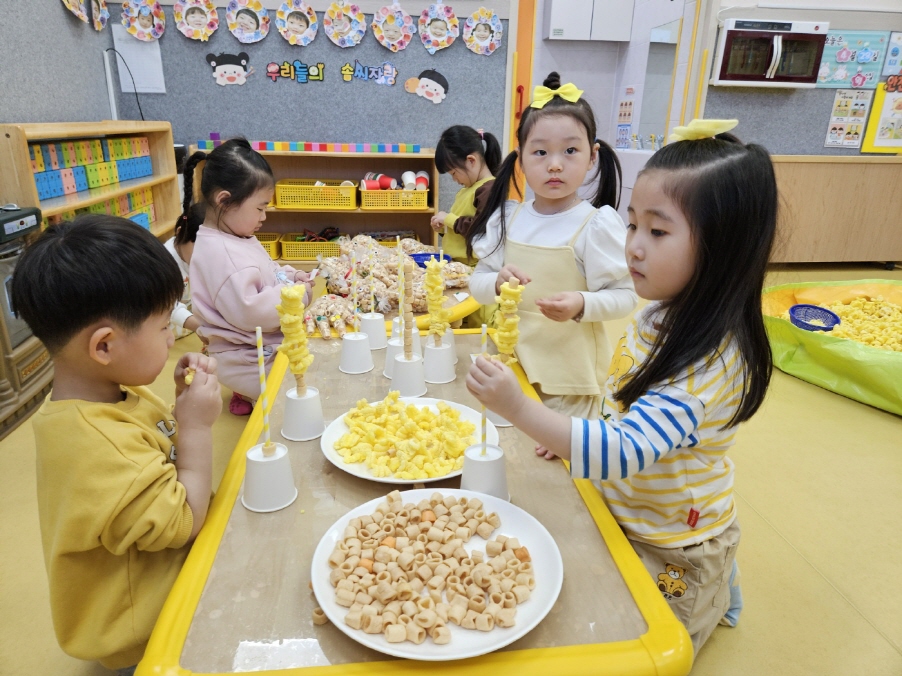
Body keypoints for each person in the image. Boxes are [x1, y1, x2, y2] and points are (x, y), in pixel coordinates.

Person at [467, 120, 778, 654]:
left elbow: (625, 449)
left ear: (724, 248)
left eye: (657, 232)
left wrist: (520, 409)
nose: (632, 246)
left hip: (676, 540)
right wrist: (577, 431)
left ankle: (714, 585)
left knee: (657, 645)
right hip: (630, 506)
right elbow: (624, 407)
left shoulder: (709, 361)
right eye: (633, 224)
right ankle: (719, 585)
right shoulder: (659, 313)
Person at [10, 216, 222, 674]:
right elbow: (184, 522)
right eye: (163, 327)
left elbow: (155, 449)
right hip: (146, 633)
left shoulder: (105, 395)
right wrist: (198, 428)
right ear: (104, 346)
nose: (172, 337)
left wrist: (182, 407)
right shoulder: (96, 443)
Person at [467, 72, 637, 430]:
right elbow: (476, 284)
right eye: (541, 152)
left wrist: (582, 303)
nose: (555, 164)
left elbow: (625, 297)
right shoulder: (508, 218)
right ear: (521, 158)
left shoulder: (595, 225)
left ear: (592, 156)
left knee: (556, 457)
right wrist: (495, 282)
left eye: (570, 151)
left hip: (569, 383)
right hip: (512, 369)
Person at [185, 138, 313, 416]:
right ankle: (257, 394)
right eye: (259, 208)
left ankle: (249, 394)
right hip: (248, 359)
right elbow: (253, 312)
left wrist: (293, 275)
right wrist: (298, 296)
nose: (264, 216)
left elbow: (269, 270)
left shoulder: (236, 235)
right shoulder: (223, 254)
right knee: (311, 387)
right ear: (224, 201)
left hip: (252, 347)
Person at [431, 125, 501, 327]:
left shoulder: (489, 188)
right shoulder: (469, 189)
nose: (455, 179)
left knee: (478, 323)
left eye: (454, 173)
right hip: (461, 269)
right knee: (461, 319)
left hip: (476, 270)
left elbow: (480, 228)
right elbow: (463, 229)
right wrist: (444, 229)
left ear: (471, 160)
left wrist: (449, 219)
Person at [166, 202, 204, 339]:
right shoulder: (165, 262)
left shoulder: (202, 260)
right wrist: (199, 327)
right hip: (170, 337)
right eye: (199, 247)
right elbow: (167, 306)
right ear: (180, 233)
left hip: (191, 333)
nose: (204, 256)